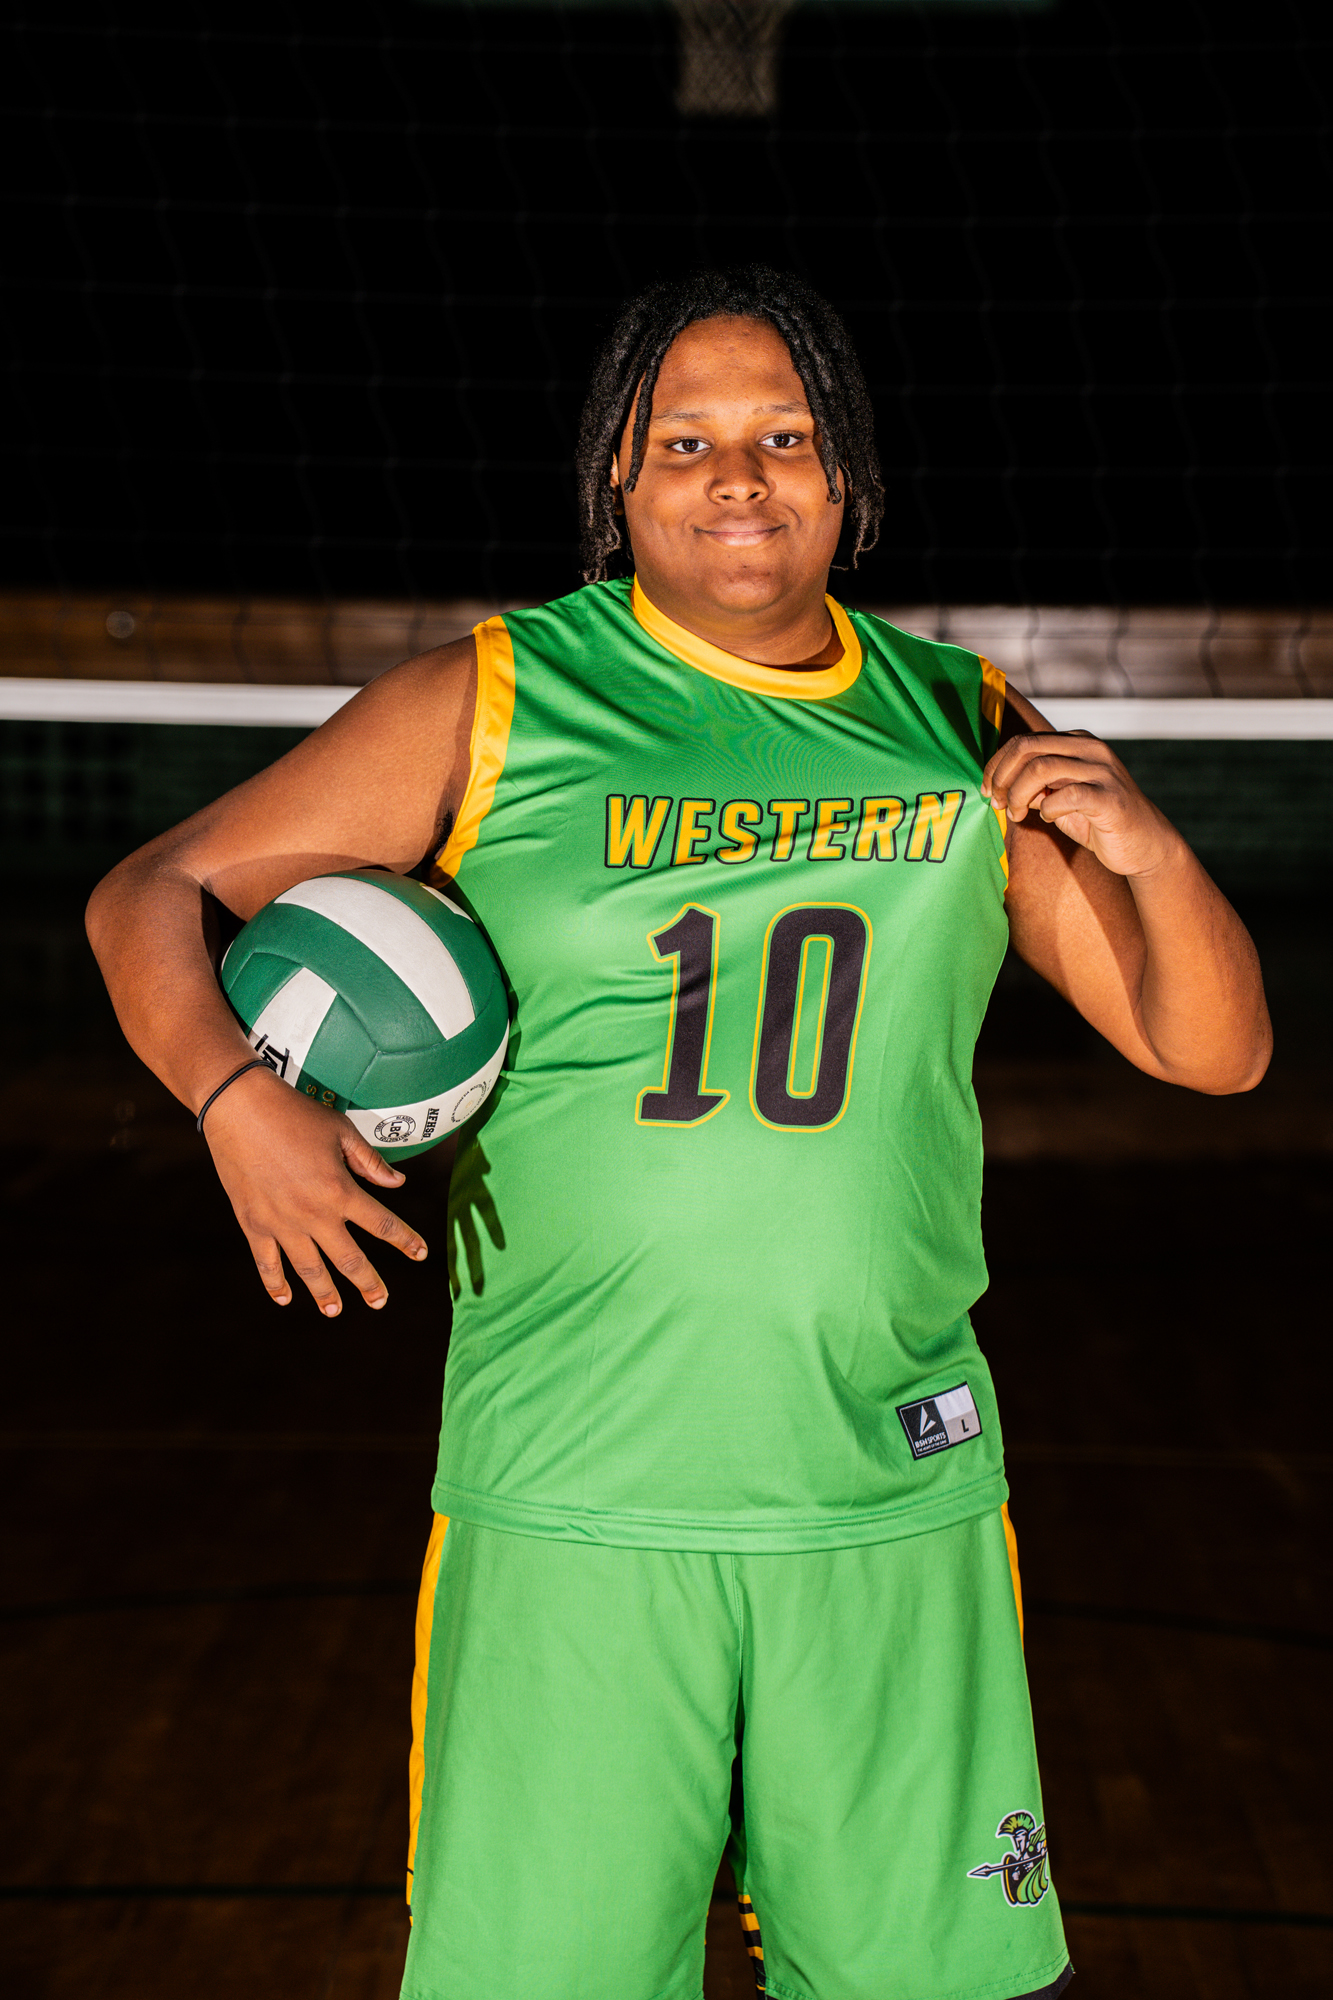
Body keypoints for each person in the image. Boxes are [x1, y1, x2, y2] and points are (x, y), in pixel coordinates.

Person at [86, 266, 1270, 2000]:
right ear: (615, 481)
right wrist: (231, 1095)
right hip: (575, 1490)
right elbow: (154, 890)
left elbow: (1210, 1052)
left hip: (888, 1487)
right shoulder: (498, 699)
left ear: (846, 475)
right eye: (685, 442)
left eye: (782, 437)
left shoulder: (956, 718)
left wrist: (1149, 853)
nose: (737, 477)